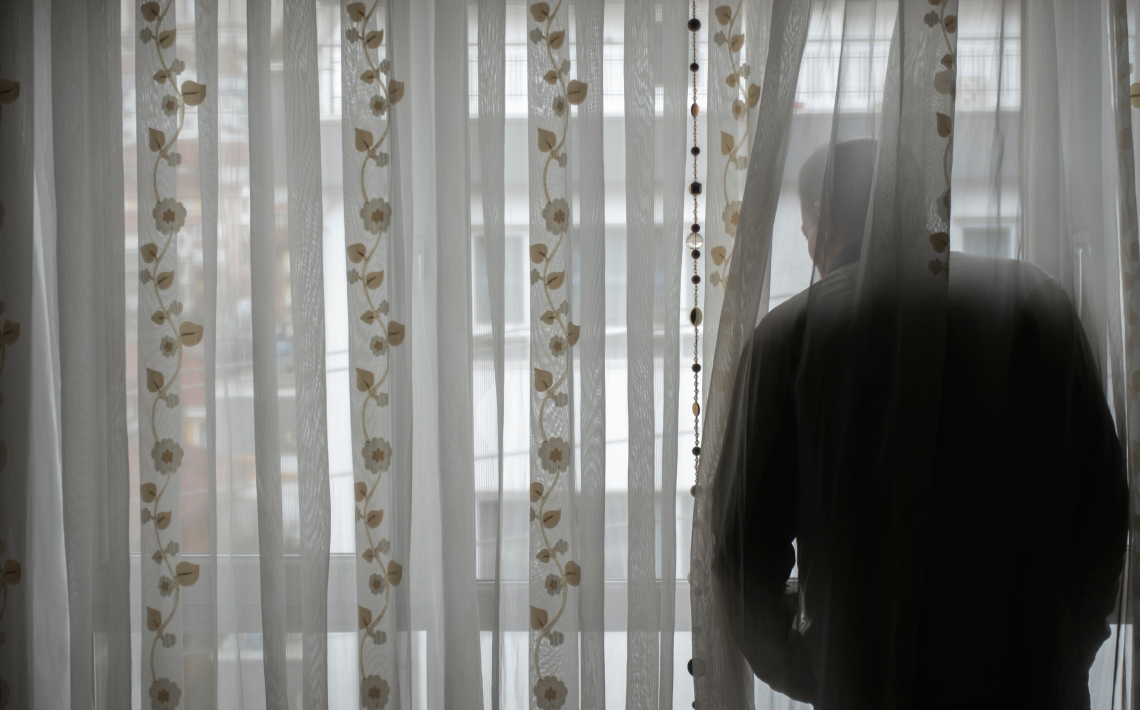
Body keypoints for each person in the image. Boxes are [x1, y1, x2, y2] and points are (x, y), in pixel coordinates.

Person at [710, 139, 1129, 708]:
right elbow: (1103, 505)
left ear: (821, 223)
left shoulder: (791, 337)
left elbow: (741, 552)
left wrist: (814, 667)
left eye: (807, 231)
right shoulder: (1036, 303)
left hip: (868, 683)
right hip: (1030, 682)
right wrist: (1068, 646)